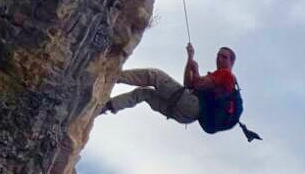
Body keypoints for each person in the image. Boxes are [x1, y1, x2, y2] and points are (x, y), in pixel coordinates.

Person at [103, 44, 256, 140]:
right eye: (218, 55)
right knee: (144, 94)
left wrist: (195, 70)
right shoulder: (220, 81)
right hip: (187, 116)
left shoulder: (226, 75)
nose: (219, 59)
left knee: (154, 76)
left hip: (192, 105)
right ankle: (108, 106)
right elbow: (188, 84)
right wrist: (189, 59)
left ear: (231, 61)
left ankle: (113, 76)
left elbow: (197, 83)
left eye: (224, 57)